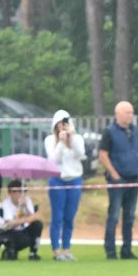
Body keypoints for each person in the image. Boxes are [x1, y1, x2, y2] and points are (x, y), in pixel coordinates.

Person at [98, 101, 138, 260]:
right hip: (118, 179)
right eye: (127, 112)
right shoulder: (109, 132)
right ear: (118, 114)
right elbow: (103, 155)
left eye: (131, 112)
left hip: (133, 178)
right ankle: (110, 250)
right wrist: (114, 174)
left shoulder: (134, 130)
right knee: (114, 215)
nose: (130, 116)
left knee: (129, 216)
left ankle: (127, 249)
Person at [44, 110, 84, 261]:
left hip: (74, 179)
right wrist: (61, 143)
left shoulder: (77, 138)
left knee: (69, 216)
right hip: (58, 180)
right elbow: (53, 160)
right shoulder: (50, 140)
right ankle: (55, 250)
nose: (62, 128)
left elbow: (80, 154)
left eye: (65, 125)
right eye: (59, 125)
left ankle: (66, 249)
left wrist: (71, 139)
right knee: (57, 216)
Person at [0, 180, 43, 261]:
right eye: (17, 192)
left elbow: (34, 217)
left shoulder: (27, 201)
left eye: (22, 192)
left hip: (24, 230)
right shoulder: (6, 204)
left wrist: (25, 206)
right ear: (10, 193)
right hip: (12, 232)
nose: (20, 194)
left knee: (37, 225)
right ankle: (11, 249)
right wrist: (26, 219)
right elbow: (10, 223)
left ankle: (33, 253)